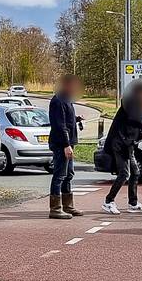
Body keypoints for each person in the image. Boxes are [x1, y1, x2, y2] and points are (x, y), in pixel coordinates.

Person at [103, 79, 142, 214]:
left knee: (136, 172)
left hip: (128, 144)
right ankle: (108, 201)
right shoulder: (130, 101)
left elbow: (135, 126)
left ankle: (133, 203)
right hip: (119, 143)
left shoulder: (138, 104)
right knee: (124, 173)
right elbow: (132, 120)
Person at [48, 74, 85, 219]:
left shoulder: (66, 100)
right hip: (61, 144)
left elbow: (66, 120)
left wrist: (76, 119)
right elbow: (59, 124)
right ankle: (55, 208)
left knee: (68, 174)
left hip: (67, 142)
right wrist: (66, 145)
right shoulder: (58, 101)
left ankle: (68, 206)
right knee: (60, 175)